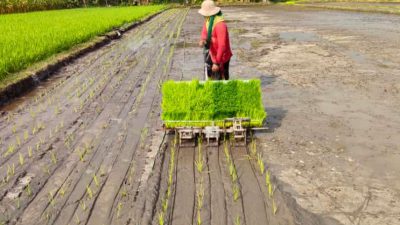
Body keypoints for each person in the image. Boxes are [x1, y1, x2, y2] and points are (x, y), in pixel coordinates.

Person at [198, 0, 232, 80]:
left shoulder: (220, 25)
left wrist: (216, 63)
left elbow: (222, 46)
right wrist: (202, 40)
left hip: (221, 56)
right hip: (212, 52)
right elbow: (204, 32)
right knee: (210, 75)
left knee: (221, 78)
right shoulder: (208, 20)